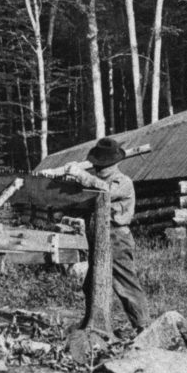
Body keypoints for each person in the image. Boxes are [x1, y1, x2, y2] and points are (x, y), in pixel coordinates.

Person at [40, 137, 151, 333]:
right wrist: (62, 178)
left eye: (102, 165)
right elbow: (80, 198)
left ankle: (144, 327)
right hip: (97, 238)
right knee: (91, 284)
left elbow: (105, 191)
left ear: (113, 163)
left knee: (126, 284)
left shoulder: (122, 181)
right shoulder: (95, 182)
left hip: (116, 238)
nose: (99, 168)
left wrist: (81, 175)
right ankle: (91, 322)